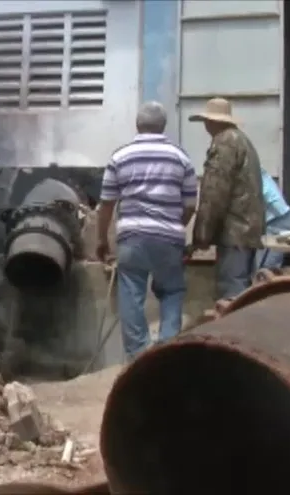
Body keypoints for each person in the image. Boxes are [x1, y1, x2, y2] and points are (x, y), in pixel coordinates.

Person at [96, 102, 198, 360]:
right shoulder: (181, 158)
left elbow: (105, 205)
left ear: (137, 125)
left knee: (131, 292)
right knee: (172, 291)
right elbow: (190, 205)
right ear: (163, 126)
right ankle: (167, 353)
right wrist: (174, 228)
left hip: (132, 237)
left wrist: (101, 241)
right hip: (170, 238)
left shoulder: (120, 157)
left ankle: (137, 357)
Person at [189, 98, 265, 300]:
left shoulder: (225, 143)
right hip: (247, 231)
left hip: (235, 232)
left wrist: (201, 235)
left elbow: (214, 193)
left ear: (211, 122)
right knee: (243, 290)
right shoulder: (242, 140)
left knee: (231, 294)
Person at [255, 168, 290, 271]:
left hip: (278, 223)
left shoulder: (255, 178)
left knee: (264, 269)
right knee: (261, 269)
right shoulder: (256, 173)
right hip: (274, 221)